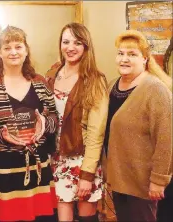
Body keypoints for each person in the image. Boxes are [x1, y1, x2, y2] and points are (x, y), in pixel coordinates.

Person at [0, 26, 58, 222]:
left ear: (26, 50)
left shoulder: (40, 82)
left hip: (36, 169)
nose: (13, 52)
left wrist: (45, 123)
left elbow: (54, 117)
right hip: (0, 169)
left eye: (18, 46)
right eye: (7, 47)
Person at [104, 30, 172, 221]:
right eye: (120, 53)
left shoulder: (156, 90)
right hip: (119, 180)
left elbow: (166, 139)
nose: (124, 59)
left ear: (145, 59)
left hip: (143, 184)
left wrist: (159, 180)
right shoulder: (112, 86)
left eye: (132, 54)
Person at [45, 23, 108, 222]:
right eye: (66, 42)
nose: (70, 47)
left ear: (86, 46)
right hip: (56, 158)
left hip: (82, 160)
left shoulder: (94, 80)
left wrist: (87, 175)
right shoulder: (53, 74)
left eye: (77, 42)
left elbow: (96, 132)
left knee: (86, 218)